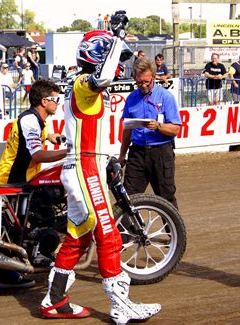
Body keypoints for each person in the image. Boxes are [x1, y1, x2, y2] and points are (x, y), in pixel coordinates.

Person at [39, 11, 161, 324]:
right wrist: (117, 35)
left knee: (78, 238)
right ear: (98, 56)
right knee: (109, 236)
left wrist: (107, 161)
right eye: (116, 58)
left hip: (85, 164)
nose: (120, 66)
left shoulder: (82, 87)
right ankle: (121, 306)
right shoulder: (84, 84)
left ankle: (55, 300)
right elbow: (103, 77)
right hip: (83, 167)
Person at [0, 79, 67, 288]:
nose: (58, 102)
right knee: (14, 231)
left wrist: (52, 137)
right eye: (55, 99)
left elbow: (36, 140)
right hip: (13, 180)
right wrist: (69, 152)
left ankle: (39, 254)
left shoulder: (37, 119)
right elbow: (37, 155)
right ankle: (6, 275)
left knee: (43, 214)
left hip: (28, 180)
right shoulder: (30, 120)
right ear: (44, 101)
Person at [118, 57, 181, 209]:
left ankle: (175, 233)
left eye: (146, 81)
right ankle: (127, 233)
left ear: (153, 76)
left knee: (166, 198)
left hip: (161, 153)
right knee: (128, 198)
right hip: (137, 153)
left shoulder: (166, 97)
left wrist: (158, 126)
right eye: (139, 82)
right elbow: (127, 130)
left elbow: (176, 128)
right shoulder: (131, 99)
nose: (143, 85)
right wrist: (122, 155)